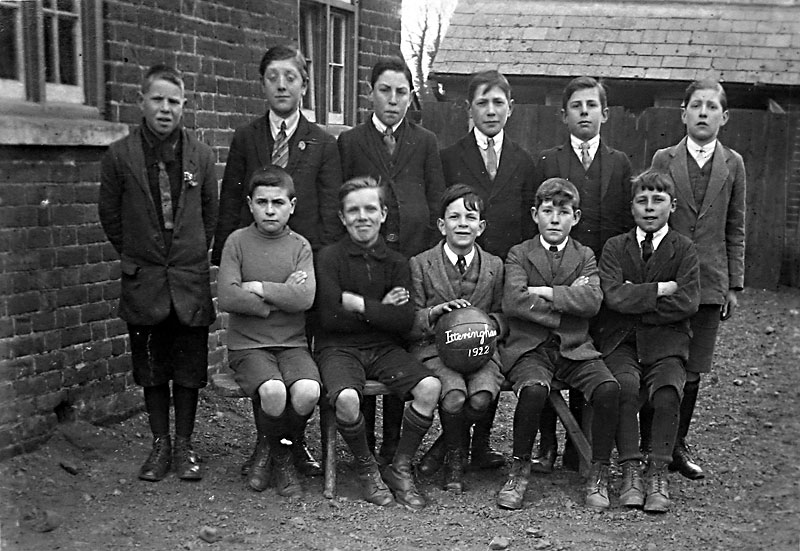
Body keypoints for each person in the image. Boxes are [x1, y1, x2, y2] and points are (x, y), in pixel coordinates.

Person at [212, 45, 342, 477]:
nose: (282, 85)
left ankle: (294, 442)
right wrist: (231, 265)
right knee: (263, 363)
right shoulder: (247, 138)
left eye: (290, 77)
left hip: (301, 265)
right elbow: (233, 201)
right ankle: (266, 446)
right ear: (262, 84)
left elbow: (328, 212)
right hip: (255, 260)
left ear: (305, 84)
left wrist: (310, 277)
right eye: (273, 77)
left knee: (296, 358)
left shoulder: (322, 142)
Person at [98, 64, 218, 482]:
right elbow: (110, 216)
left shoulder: (200, 156)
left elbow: (210, 215)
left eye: (174, 101)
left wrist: (185, 256)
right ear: (141, 102)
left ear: (184, 106)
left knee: (188, 368)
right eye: (157, 100)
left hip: (188, 280)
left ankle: (185, 445)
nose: (165, 109)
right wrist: (140, 254)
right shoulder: (120, 156)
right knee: (151, 367)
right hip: (144, 279)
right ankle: (160, 445)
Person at [419, 71, 536, 476]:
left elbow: (525, 222)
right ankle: (450, 448)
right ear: (468, 109)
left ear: (510, 108)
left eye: (498, 103)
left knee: (487, 357)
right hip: (456, 268)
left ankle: (479, 446)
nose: (490, 111)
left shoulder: (523, 159)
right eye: (482, 103)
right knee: (456, 358)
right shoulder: (450, 157)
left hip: (497, 270)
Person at [337, 56, 446, 464]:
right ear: (370, 93)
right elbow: (343, 199)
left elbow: (436, 197)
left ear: (410, 97)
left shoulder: (425, 140)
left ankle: (392, 443)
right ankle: (360, 442)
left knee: (401, 343)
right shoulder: (351, 141)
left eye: (402, 92)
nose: (393, 100)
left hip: (409, 255)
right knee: (364, 337)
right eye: (385, 90)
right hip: (366, 258)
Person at [314, 177, 442, 510]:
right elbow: (329, 318)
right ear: (342, 218)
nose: (362, 217)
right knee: (345, 398)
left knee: (429, 387)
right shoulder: (329, 258)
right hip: (338, 348)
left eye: (370, 208)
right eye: (353, 210)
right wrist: (381, 306)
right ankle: (367, 468)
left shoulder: (397, 262)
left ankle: (399, 467)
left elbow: (403, 320)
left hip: (384, 348)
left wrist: (357, 303)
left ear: (383, 214)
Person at [530, 76, 633, 474]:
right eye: (576, 106)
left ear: (604, 114)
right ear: (564, 115)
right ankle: (548, 442)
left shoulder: (620, 162)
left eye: (592, 105)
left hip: (596, 279)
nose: (584, 112)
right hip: (557, 275)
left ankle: (581, 445)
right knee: (551, 351)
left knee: (588, 355)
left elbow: (624, 224)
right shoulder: (547, 161)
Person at [497, 178, 619, 511]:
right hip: (530, 349)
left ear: (575, 218)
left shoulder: (585, 255)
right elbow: (513, 302)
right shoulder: (519, 253)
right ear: (535, 214)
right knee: (534, 390)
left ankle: (599, 472)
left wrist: (543, 291)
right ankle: (519, 469)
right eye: (548, 211)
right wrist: (568, 297)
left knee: (608, 389)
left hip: (575, 347)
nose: (555, 219)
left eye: (563, 212)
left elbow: (593, 302)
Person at [649, 78, 746, 480]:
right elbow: (649, 214)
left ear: (723, 117)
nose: (703, 113)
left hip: (709, 281)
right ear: (684, 113)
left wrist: (734, 285)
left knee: (692, 367)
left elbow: (736, 227)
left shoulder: (733, 164)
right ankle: (647, 442)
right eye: (696, 106)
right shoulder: (664, 158)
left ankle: (676, 445)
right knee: (658, 358)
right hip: (669, 278)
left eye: (711, 107)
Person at [596, 170, 700, 512]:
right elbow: (612, 297)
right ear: (632, 208)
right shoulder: (615, 246)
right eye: (643, 201)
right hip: (622, 342)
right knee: (624, 386)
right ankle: (630, 470)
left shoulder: (684, 249)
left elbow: (686, 303)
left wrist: (635, 297)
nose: (650, 208)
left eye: (658, 201)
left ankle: (657, 470)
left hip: (667, 343)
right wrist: (659, 290)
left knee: (669, 389)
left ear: (672, 206)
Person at [217, 166, 319, 498]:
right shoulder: (237, 242)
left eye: (278, 202)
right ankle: (279, 459)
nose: (270, 209)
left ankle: (275, 448)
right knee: (273, 392)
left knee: (306, 391)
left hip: (291, 344)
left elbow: (304, 297)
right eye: (262, 202)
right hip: (249, 346)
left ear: (292, 205)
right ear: (250, 204)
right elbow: (229, 296)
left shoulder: (300, 246)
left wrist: (258, 287)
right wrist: (279, 298)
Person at [408, 184, 506, 492]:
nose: (462, 223)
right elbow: (410, 318)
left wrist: (487, 324)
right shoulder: (421, 264)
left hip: (481, 349)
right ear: (441, 224)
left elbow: (504, 314)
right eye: (454, 217)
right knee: (453, 397)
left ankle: (443, 447)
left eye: (470, 217)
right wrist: (436, 313)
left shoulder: (494, 266)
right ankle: (453, 458)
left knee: (480, 398)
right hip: (435, 350)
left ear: (482, 226)